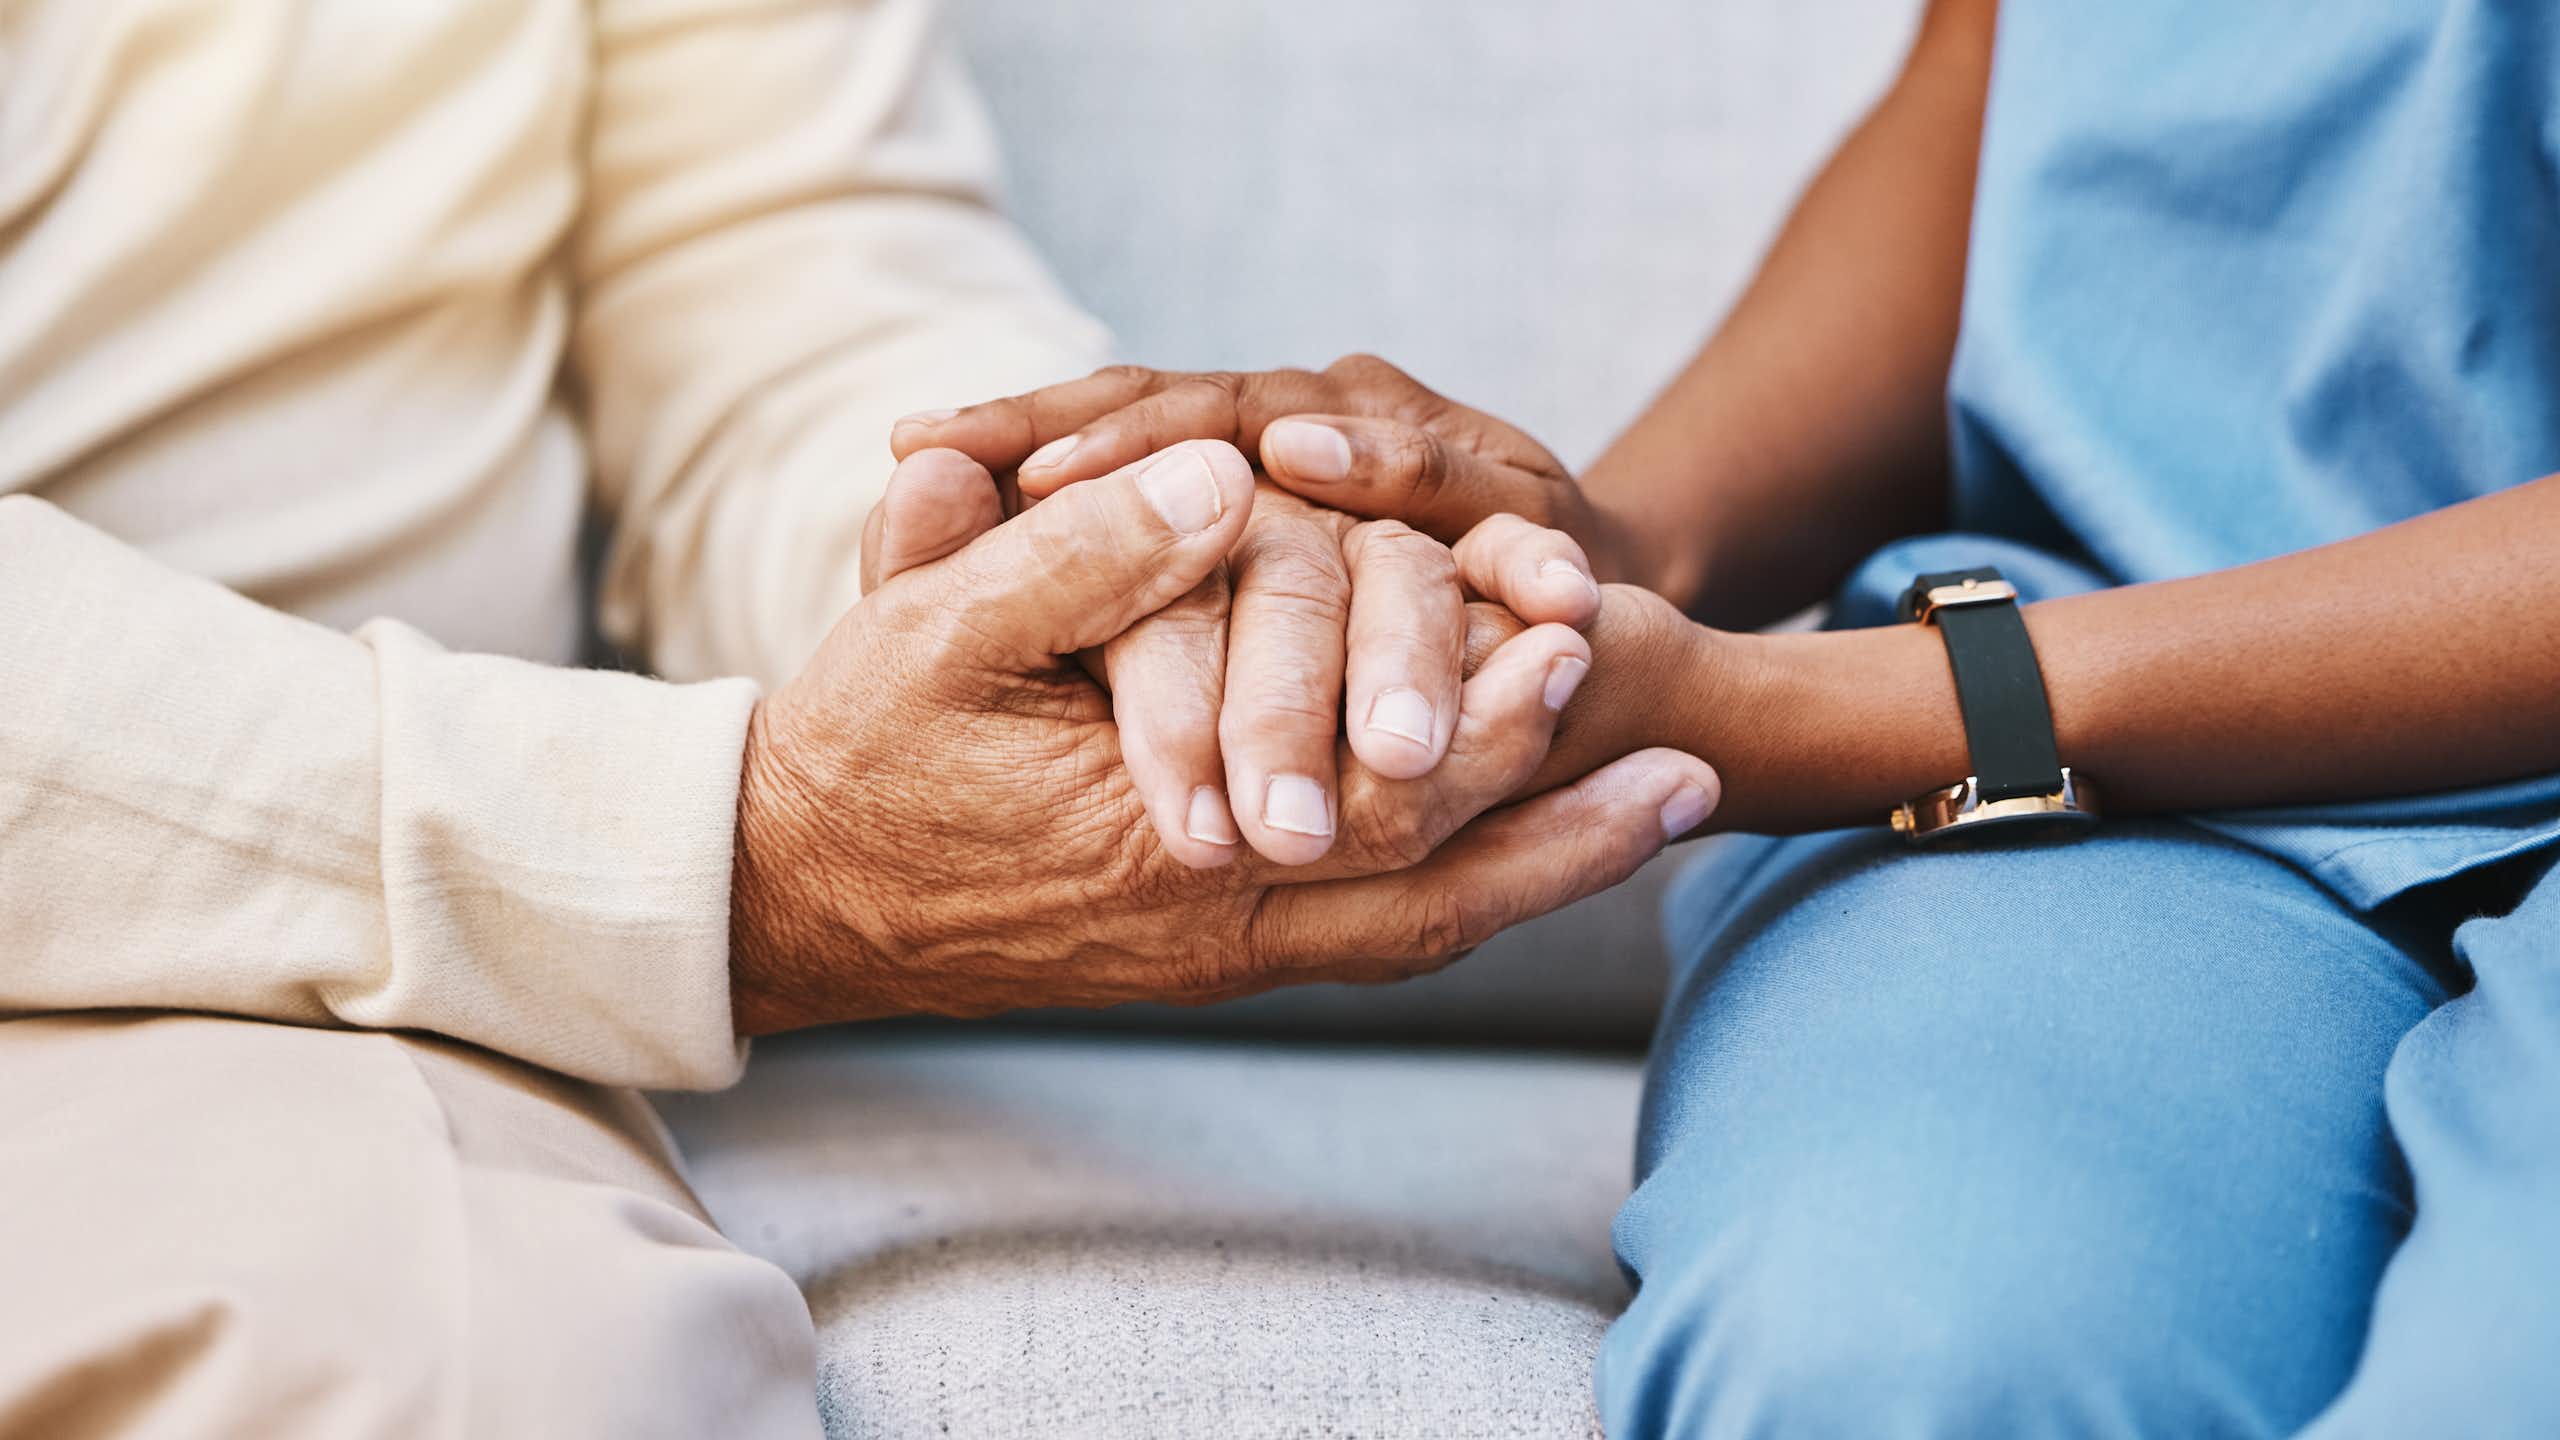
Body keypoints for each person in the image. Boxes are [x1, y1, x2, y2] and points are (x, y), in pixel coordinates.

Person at [0, 1, 1717, 1432]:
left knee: (506, 1373)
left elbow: (771, 280)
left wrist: (1067, 560)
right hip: (344, 874)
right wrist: (709, 854)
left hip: (289, 998)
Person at [904, 0, 2560, 1432]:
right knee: (1898, 1349)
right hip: (2121, 813)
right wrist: (1601, 546)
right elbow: (2012, 81)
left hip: (2014, 716)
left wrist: (1835, 711)